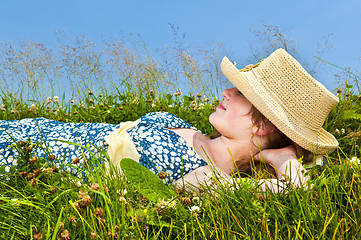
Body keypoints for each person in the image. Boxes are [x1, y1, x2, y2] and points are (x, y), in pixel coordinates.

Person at [0, 49, 339, 192]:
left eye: (241, 94)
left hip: (21, 159)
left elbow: (294, 187)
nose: (225, 92)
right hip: (30, 130)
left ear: (262, 126)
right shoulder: (178, 122)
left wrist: (284, 158)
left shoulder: (207, 178)